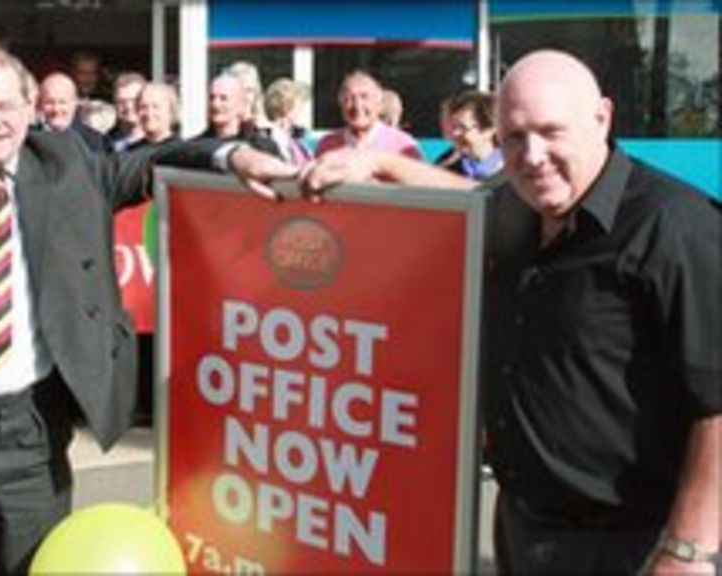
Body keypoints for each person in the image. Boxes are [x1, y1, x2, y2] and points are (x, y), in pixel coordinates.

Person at [0, 42, 295, 575]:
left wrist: (233, 155)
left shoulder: (70, 170)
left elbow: (151, 160)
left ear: (30, 105)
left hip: (32, 427)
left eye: (5, 106)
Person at [300, 49, 720, 575]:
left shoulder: (674, 227)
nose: (533, 155)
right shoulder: (516, 209)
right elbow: (470, 197)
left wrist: (688, 551)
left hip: (633, 546)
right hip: (522, 529)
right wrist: (377, 163)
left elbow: (717, 403)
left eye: (551, 131)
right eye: (514, 137)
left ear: (602, 118)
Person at [315, 70, 421, 162]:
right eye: (349, 99)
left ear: (379, 104)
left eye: (364, 97)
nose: (357, 105)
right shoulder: (327, 146)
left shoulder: (403, 145)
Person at [197, 72, 280, 156]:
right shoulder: (196, 148)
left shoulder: (262, 147)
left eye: (223, 98)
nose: (215, 104)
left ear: (241, 104)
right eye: (212, 98)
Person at [37, 71, 110, 153]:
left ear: (75, 103)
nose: (56, 109)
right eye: (49, 102)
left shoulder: (93, 140)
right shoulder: (29, 137)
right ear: (40, 104)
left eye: (62, 102)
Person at [444, 90, 503, 181]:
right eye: (453, 127)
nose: (455, 133)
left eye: (463, 127)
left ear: (489, 130)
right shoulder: (447, 170)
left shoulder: (511, 171)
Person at [263, 77, 314, 167]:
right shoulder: (268, 139)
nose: (302, 109)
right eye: (300, 104)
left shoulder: (297, 138)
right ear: (286, 106)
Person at [107, 72, 147, 151]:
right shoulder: (103, 143)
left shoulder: (159, 143)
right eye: (121, 101)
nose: (128, 107)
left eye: (134, 100)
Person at [133, 81, 179, 147]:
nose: (149, 113)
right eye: (143, 107)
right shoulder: (128, 154)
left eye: (156, 107)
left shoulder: (185, 152)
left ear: (171, 110)